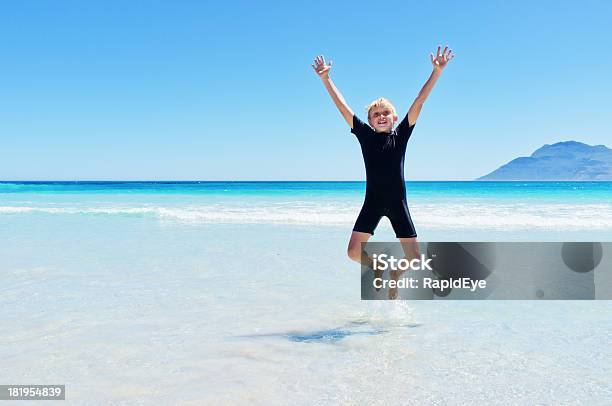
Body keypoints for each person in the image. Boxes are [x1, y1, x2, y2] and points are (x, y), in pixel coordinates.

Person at [311, 46, 454, 286]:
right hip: (373, 202)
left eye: (386, 112)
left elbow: (420, 101)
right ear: (369, 121)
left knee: (414, 258)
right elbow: (342, 107)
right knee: (353, 252)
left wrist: (437, 72)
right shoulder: (365, 136)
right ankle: (377, 267)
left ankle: (395, 274)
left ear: (394, 118)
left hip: (398, 202)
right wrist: (326, 79)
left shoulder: (401, 136)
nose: (381, 115)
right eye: (375, 113)